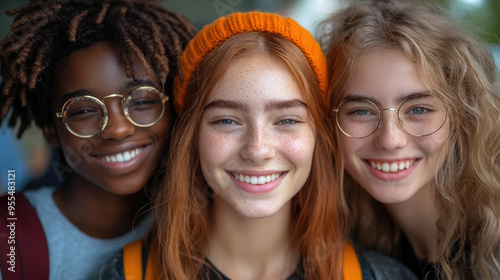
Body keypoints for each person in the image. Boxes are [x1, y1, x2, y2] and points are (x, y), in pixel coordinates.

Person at [93, 11, 417, 280]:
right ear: (191, 137)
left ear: (319, 135)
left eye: (287, 120)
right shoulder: (125, 273)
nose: (258, 149)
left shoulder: (379, 275)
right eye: (227, 120)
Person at [0, 0, 196, 279]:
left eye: (141, 101)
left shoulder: (199, 226)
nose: (117, 129)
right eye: (83, 110)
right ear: (52, 131)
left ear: (173, 111)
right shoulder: (10, 238)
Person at [318, 0, 500, 279]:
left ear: (462, 117)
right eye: (362, 111)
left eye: (418, 109)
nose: (390, 140)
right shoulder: (345, 245)